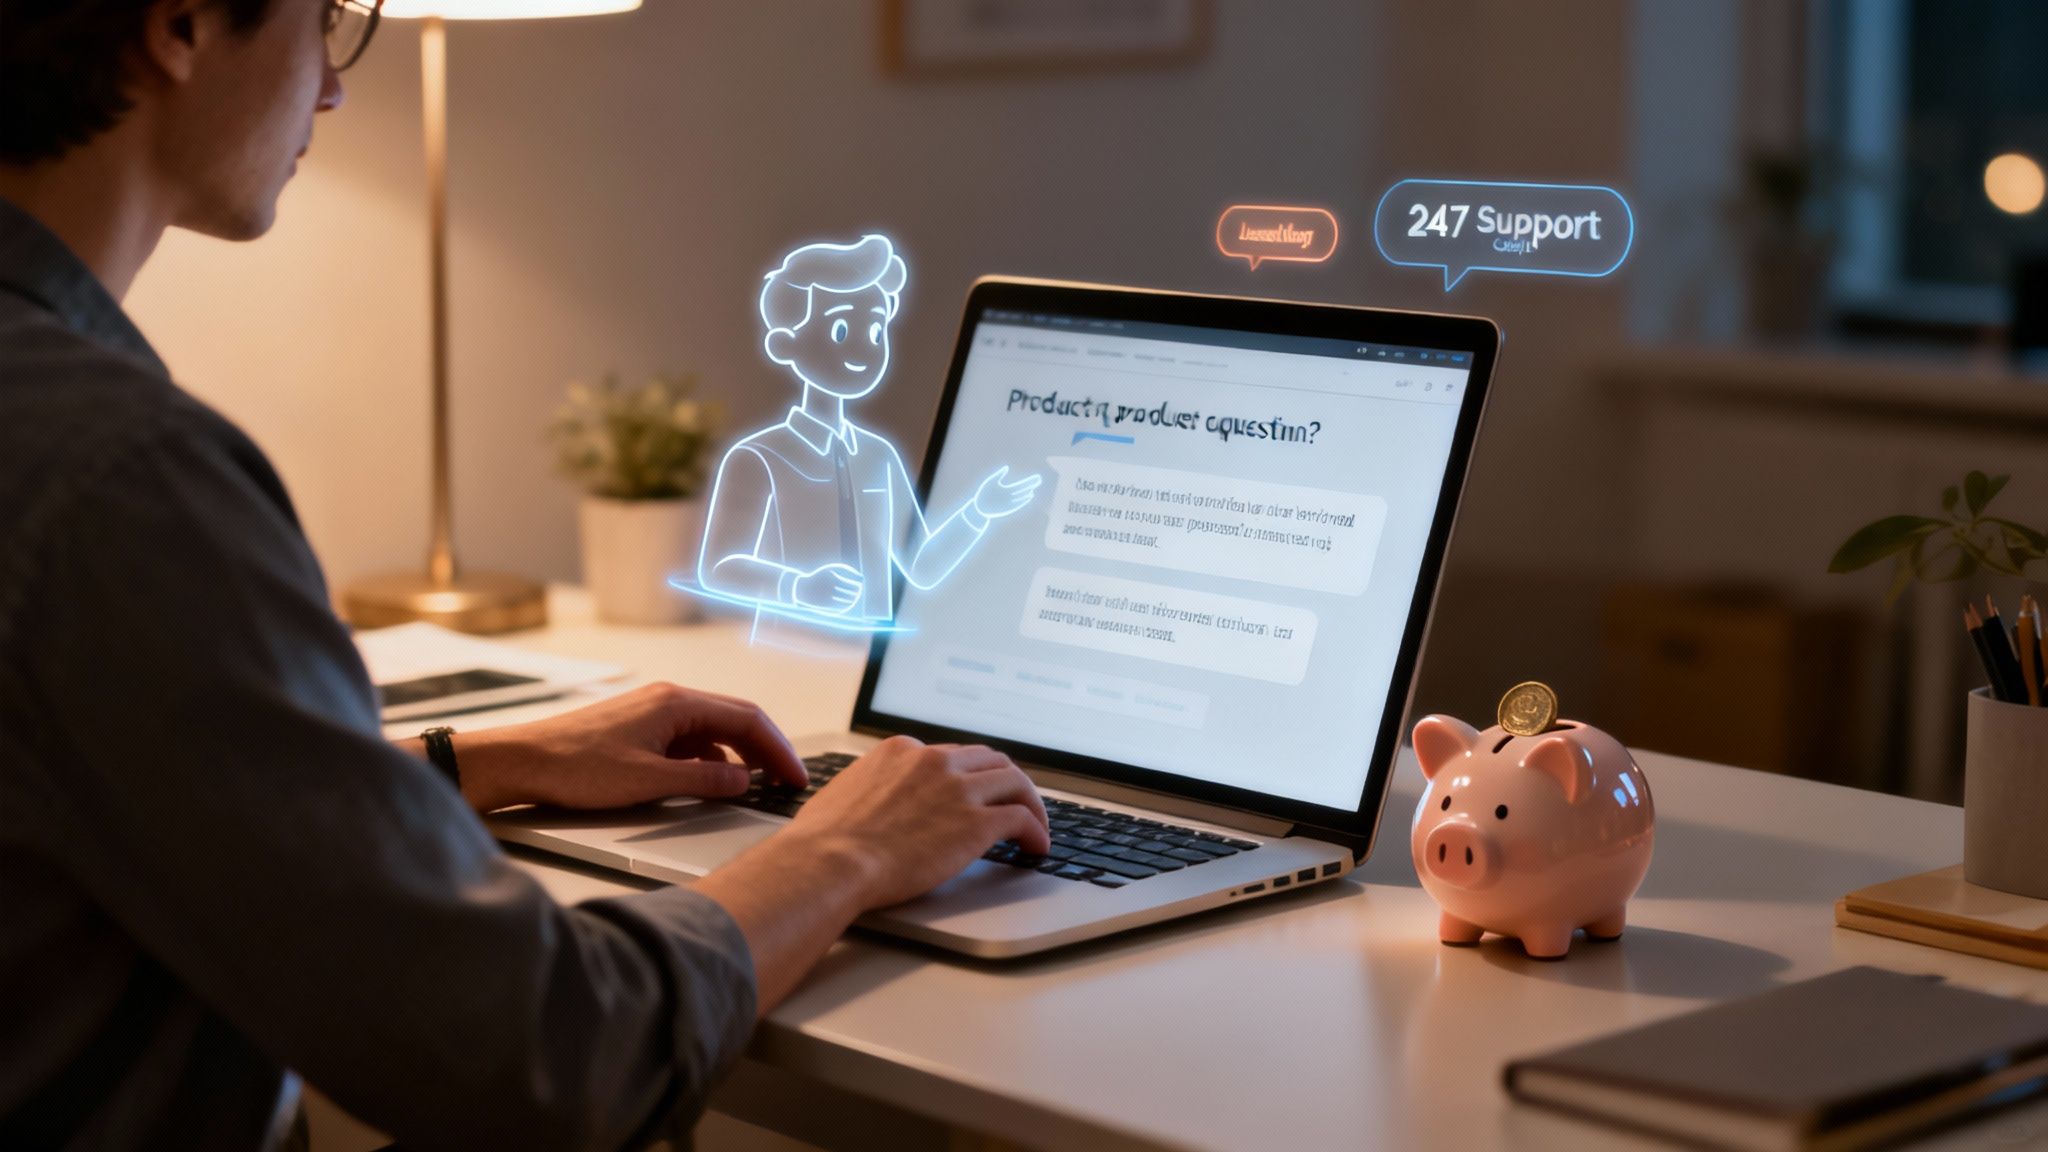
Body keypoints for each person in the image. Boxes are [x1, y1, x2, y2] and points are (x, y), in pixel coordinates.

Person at [0, 0, 1049, 1148]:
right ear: (183, 23)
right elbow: (544, 1054)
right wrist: (849, 849)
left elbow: (113, 788)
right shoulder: (121, 485)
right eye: (328, 24)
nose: (336, 89)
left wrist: (485, 760)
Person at [695, 235, 1040, 638]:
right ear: (784, 343)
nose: (864, 347)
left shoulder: (879, 457)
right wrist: (798, 587)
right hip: (785, 662)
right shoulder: (758, 457)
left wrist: (979, 511)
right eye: (841, 329)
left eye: (876, 330)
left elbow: (922, 566)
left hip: (866, 665)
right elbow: (718, 569)